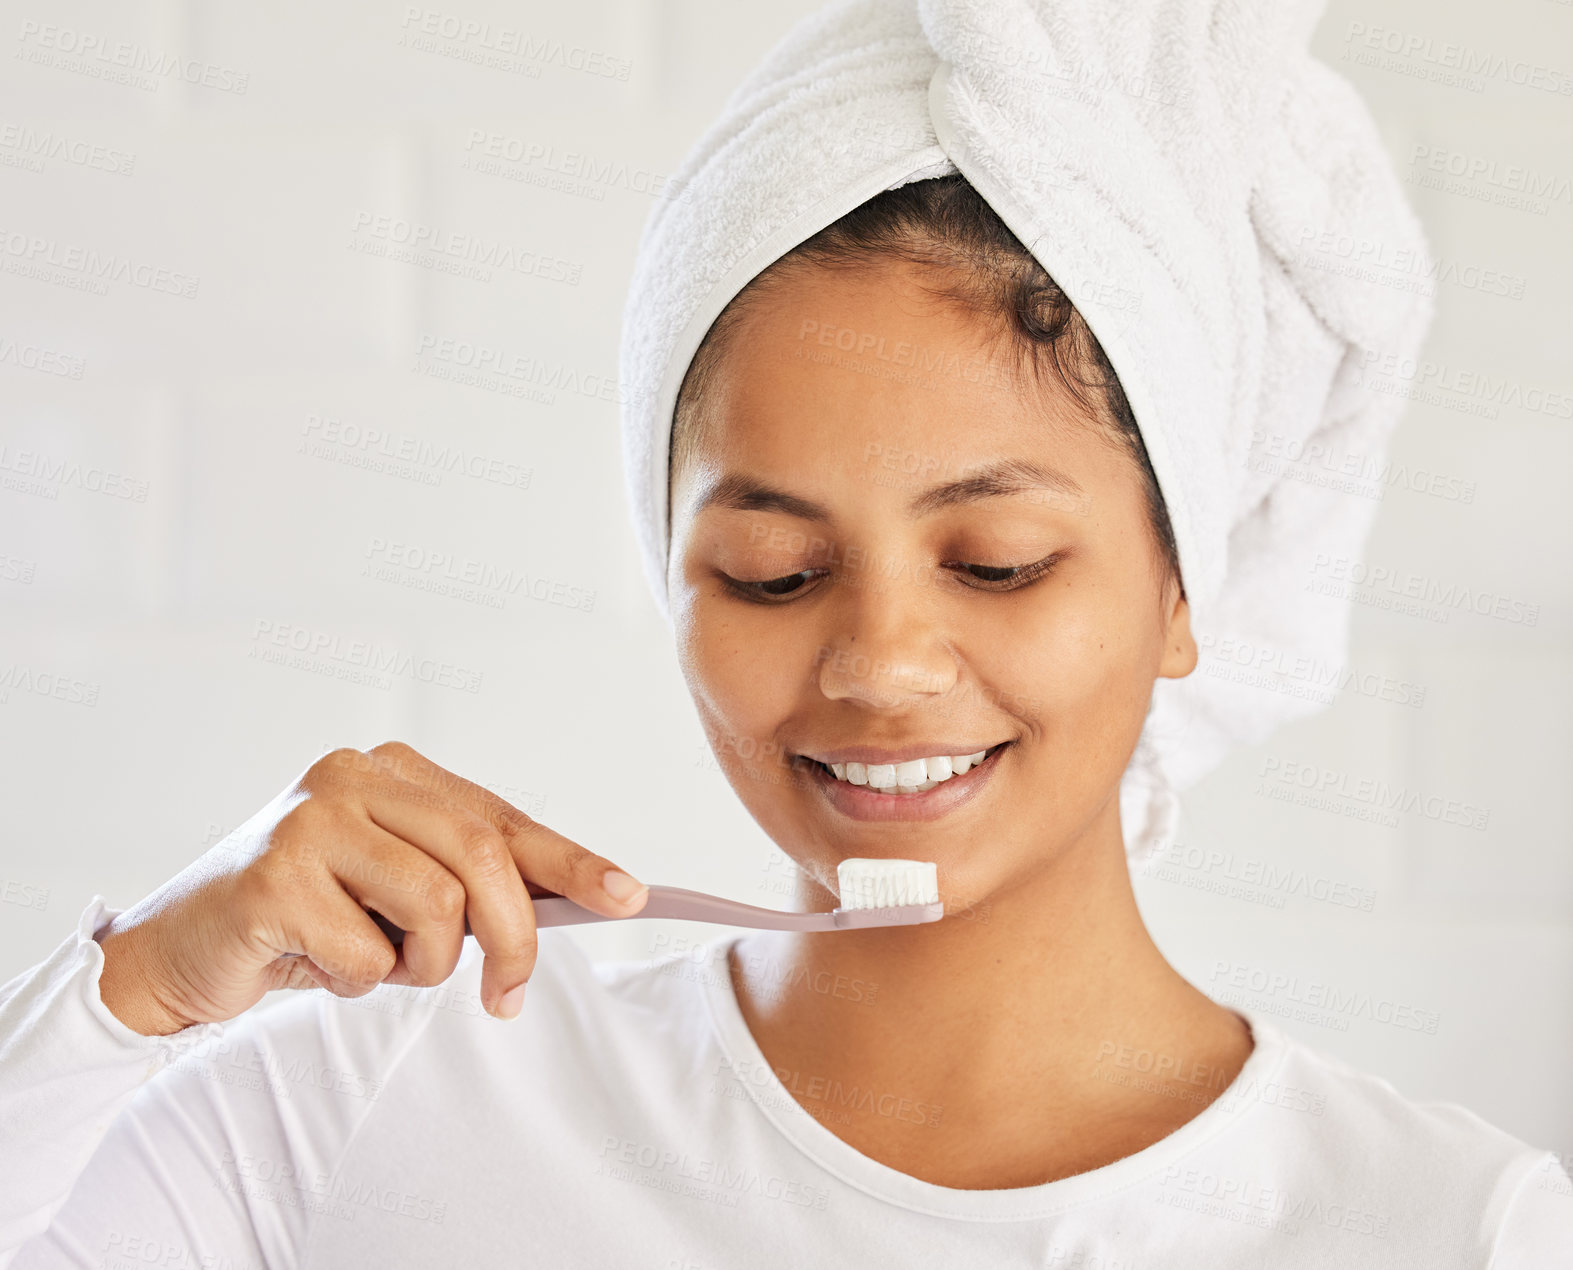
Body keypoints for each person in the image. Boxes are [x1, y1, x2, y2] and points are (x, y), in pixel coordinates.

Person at [5, 4, 1571, 1269]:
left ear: (1181, 590)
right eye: (769, 570)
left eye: (999, 562)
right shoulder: (378, 1098)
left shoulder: (1446, 1230)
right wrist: (128, 990)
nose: (882, 663)